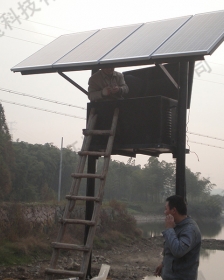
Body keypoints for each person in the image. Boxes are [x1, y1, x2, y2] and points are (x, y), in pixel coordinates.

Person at [154, 195, 201, 280]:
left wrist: (169, 229)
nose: (164, 212)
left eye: (166, 209)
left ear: (174, 210)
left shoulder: (190, 229)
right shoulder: (177, 226)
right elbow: (170, 249)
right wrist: (164, 264)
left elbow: (178, 251)